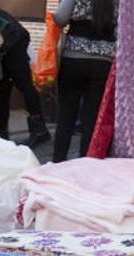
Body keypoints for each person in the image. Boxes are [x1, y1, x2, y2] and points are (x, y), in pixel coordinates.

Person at [52, 0, 117, 162]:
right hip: (103, 62)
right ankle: (85, 164)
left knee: (66, 115)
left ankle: (58, 162)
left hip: (73, 59)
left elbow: (59, 18)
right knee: (92, 117)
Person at [0, 0, 51, 146]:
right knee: (1, 85)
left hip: (11, 39)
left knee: (23, 83)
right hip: (5, 38)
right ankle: (1, 132)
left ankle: (39, 131)